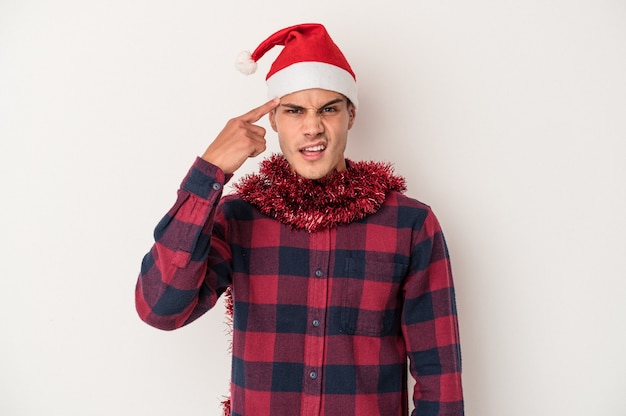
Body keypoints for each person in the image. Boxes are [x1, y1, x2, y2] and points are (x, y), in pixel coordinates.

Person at [135, 23, 464, 416]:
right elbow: (160, 307)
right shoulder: (239, 217)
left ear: (351, 115)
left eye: (329, 109)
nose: (312, 127)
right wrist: (210, 172)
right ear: (273, 120)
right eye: (294, 111)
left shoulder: (409, 225)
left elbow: (439, 377)